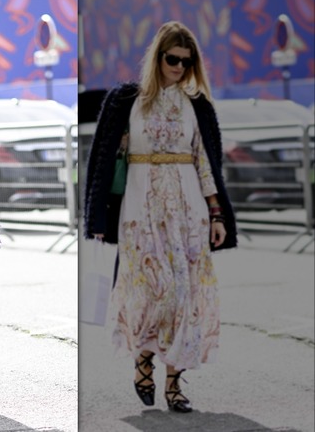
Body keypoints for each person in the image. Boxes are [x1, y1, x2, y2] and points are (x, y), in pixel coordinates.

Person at [83, 21, 237, 413]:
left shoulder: (196, 104)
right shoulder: (127, 100)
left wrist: (217, 214)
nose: (179, 68)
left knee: (184, 297)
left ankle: (174, 383)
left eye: (187, 62)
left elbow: (207, 163)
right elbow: (104, 160)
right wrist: (99, 215)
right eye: (173, 59)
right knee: (150, 293)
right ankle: (143, 361)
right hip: (140, 211)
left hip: (189, 212)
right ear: (158, 57)